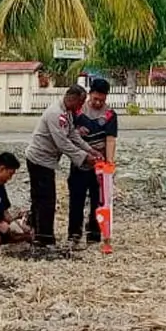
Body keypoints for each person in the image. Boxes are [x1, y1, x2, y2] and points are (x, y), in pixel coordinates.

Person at [25, 84, 102, 247]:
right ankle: (44, 238)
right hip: (39, 159)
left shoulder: (67, 113)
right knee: (46, 200)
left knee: (41, 198)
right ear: (72, 98)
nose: (81, 107)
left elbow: (73, 134)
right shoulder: (55, 113)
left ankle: (37, 233)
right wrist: (84, 157)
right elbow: (62, 143)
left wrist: (89, 149)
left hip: (47, 160)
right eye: (80, 103)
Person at [67, 78, 118, 248]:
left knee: (99, 200)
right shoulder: (78, 110)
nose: (98, 103)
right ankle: (74, 233)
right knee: (76, 198)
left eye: (102, 100)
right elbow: (69, 133)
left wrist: (109, 162)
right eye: (95, 99)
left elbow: (110, 140)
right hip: (80, 161)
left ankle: (95, 234)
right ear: (89, 94)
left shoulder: (110, 115)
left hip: (99, 164)